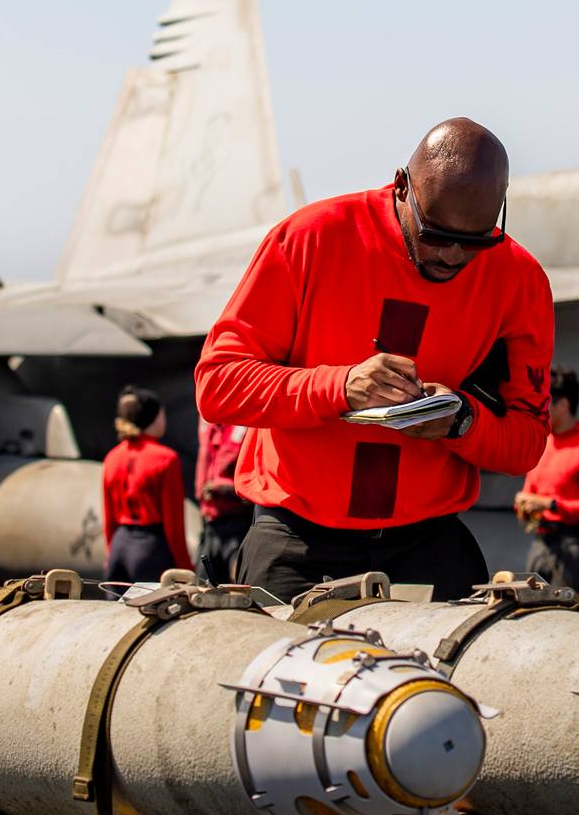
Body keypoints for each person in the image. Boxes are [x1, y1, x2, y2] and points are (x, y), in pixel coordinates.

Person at [195, 118, 554, 601]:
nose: (451, 255)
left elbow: (528, 442)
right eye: (434, 234)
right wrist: (339, 387)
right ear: (401, 185)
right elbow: (217, 384)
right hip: (298, 544)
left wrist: (462, 422)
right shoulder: (311, 238)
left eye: (474, 241)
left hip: (427, 545)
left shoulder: (519, 280)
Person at [514, 367, 579, 602]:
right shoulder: (542, 443)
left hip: (576, 551)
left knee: (577, 620)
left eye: (544, 403)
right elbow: (530, 492)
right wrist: (523, 504)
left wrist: (551, 505)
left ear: (562, 404)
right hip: (540, 547)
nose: (538, 410)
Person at [101, 386, 190, 584]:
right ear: (154, 417)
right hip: (150, 549)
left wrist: (111, 553)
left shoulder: (112, 457)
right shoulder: (166, 459)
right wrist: (184, 567)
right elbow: (174, 525)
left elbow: (109, 518)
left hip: (119, 546)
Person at [194, 417, 251, 587]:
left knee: (241, 585)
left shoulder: (249, 425)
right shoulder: (208, 424)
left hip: (239, 525)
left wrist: (223, 489)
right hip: (210, 525)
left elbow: (257, 479)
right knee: (202, 587)